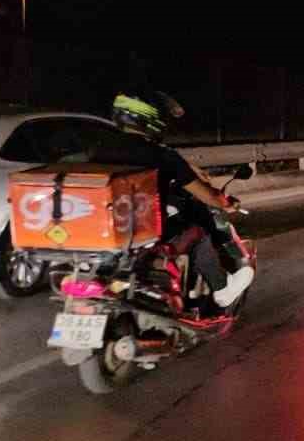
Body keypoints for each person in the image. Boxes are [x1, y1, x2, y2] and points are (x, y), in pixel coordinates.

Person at [107, 92, 255, 308]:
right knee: (198, 232)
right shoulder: (161, 156)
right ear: (151, 119)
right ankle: (222, 288)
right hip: (144, 234)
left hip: (104, 235)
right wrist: (227, 203)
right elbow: (208, 196)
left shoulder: (98, 150)